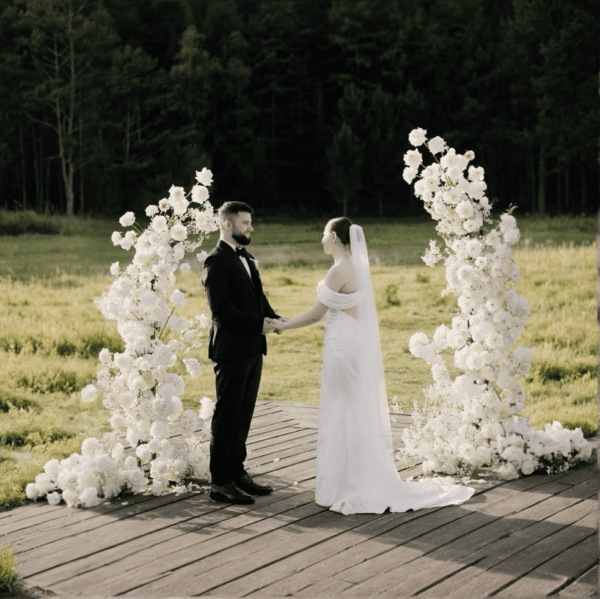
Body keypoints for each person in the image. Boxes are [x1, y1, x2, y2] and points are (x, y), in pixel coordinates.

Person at [273, 218, 474, 514]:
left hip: (341, 344)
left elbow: (316, 314)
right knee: (353, 407)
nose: (322, 239)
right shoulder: (359, 268)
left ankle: (344, 483)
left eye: (325, 234)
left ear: (336, 238)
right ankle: (357, 475)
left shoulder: (337, 271)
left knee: (339, 408)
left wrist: (281, 326)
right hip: (352, 341)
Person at [201, 201, 285, 505]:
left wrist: (273, 319)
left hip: (252, 349)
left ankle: (236, 472)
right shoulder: (215, 262)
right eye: (245, 223)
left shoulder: (246, 258)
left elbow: (257, 297)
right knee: (226, 416)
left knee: (243, 415)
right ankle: (220, 482)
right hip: (230, 351)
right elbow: (220, 311)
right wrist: (257, 323)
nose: (250, 228)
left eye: (251, 223)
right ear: (227, 224)